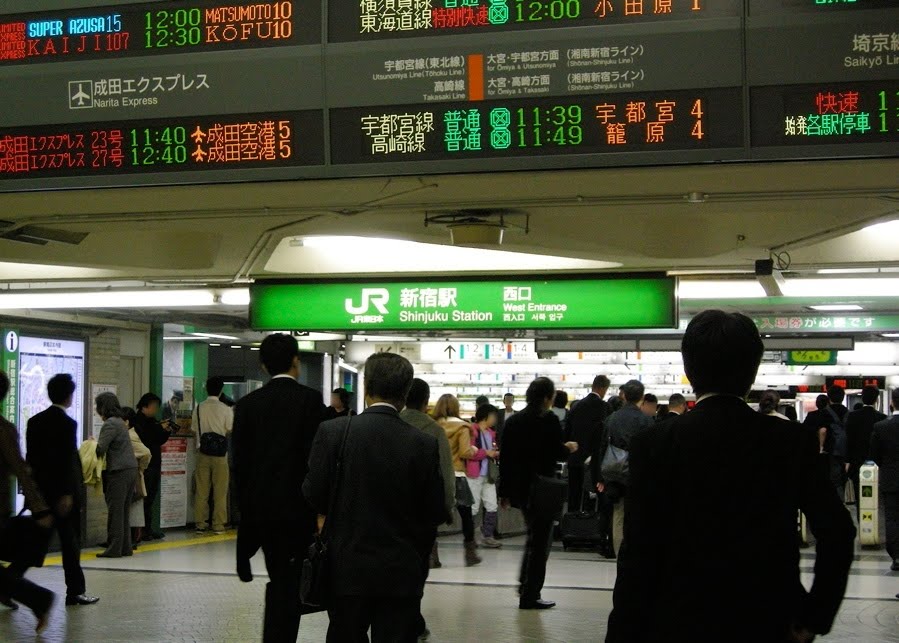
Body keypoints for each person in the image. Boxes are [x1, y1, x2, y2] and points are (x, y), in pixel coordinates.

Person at [606, 310, 855, 643]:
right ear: (752, 371)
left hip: (677, 620)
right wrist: (814, 615)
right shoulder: (789, 441)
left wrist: (624, 630)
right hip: (769, 620)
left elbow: (638, 552)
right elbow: (838, 531)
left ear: (688, 369)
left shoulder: (654, 443)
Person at [304, 353, 445, 643]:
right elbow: (434, 510)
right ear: (405, 393)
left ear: (366, 387)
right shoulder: (423, 443)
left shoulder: (334, 432)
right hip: (400, 569)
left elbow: (313, 494)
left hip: (345, 566)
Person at [232, 333, 326, 642]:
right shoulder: (311, 402)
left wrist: (244, 536)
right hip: (299, 512)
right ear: (296, 361)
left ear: (262, 365)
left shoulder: (246, 406)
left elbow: (240, 467)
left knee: (281, 580)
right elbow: (317, 461)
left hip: (261, 513)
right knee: (291, 583)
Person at [11, 374, 98, 606]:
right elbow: (67, 461)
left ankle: (9, 582)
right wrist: (68, 493)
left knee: (35, 543)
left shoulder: (35, 422)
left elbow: (31, 460)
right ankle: (75, 591)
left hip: (41, 494)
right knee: (70, 544)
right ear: (69, 396)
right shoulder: (68, 424)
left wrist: (33, 496)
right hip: (63, 496)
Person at [499, 377, 578, 610]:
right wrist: (569, 448)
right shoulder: (549, 420)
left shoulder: (514, 422)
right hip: (542, 487)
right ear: (546, 397)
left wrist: (504, 491)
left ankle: (525, 584)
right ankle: (531, 594)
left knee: (534, 536)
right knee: (540, 540)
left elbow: (506, 459)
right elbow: (557, 452)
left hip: (521, 489)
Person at [0, 370, 56, 632]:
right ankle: (38, 599)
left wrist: (39, 507)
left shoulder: (3, 431)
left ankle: (40, 599)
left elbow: (21, 469)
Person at [400, 378, 456, 568]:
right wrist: (447, 506)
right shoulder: (435, 431)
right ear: (426, 401)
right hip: (423, 509)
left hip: (390, 510)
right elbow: (446, 474)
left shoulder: (390, 424)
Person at [593, 379, 654, 556]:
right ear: (641, 397)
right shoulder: (646, 420)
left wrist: (600, 477)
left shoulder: (611, 419)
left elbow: (602, 447)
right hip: (638, 473)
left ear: (624, 396)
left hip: (615, 472)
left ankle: (620, 553)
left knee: (618, 513)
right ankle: (636, 553)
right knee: (637, 514)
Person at [433, 394, 481, 566]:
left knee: (433, 516)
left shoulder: (433, 424)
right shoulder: (462, 427)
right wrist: (474, 449)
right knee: (466, 515)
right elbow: (464, 452)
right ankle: (470, 554)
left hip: (437, 474)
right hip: (458, 475)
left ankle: (433, 556)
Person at [94, 392, 138, 559]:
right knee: (124, 511)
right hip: (130, 469)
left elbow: (100, 449)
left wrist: (89, 444)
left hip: (118, 471)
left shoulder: (110, 424)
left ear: (102, 407)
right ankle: (125, 547)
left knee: (115, 511)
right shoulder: (120, 422)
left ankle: (113, 549)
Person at [192, 377, 234, 535]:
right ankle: (218, 525)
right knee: (220, 491)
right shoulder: (226, 408)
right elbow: (229, 429)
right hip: (220, 455)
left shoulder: (198, 408)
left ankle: (200, 524)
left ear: (206, 389)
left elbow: (194, 429)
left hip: (203, 452)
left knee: (202, 490)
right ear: (221, 390)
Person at [133, 393, 176, 540]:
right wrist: (159, 428)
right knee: (144, 498)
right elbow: (146, 438)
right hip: (145, 466)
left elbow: (157, 440)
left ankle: (148, 529)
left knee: (150, 497)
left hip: (155, 463)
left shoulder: (152, 421)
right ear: (145, 406)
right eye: (154, 407)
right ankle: (141, 531)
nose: (156, 410)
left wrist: (165, 431)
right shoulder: (137, 421)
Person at [846, 385, 886, 520]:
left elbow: (848, 441)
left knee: (859, 496)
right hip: (876, 464)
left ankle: (861, 520)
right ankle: (873, 523)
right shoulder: (882, 418)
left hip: (857, 463)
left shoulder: (852, 416)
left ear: (862, 398)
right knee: (875, 496)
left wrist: (848, 462)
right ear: (876, 399)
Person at [870, 388, 899, 572]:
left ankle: (896, 556)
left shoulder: (881, 427)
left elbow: (874, 455)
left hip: (891, 479)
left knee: (892, 519)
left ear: (892, 403)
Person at [467, 404, 502, 549]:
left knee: (492, 505)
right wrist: (486, 453)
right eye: (493, 416)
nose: (495, 419)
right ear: (485, 416)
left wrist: (494, 453)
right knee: (473, 507)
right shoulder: (471, 431)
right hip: (474, 474)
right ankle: (470, 537)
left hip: (489, 475)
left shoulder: (491, 433)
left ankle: (488, 535)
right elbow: (469, 452)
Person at [122, 408, 151, 547]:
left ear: (126, 422)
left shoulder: (130, 436)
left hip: (133, 476)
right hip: (132, 474)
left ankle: (133, 538)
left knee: (134, 507)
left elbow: (146, 453)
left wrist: (141, 468)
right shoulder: (128, 434)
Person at [826, 385, 851, 498]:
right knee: (843, 479)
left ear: (828, 397)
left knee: (833, 480)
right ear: (843, 397)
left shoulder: (824, 414)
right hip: (847, 451)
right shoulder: (850, 414)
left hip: (830, 452)